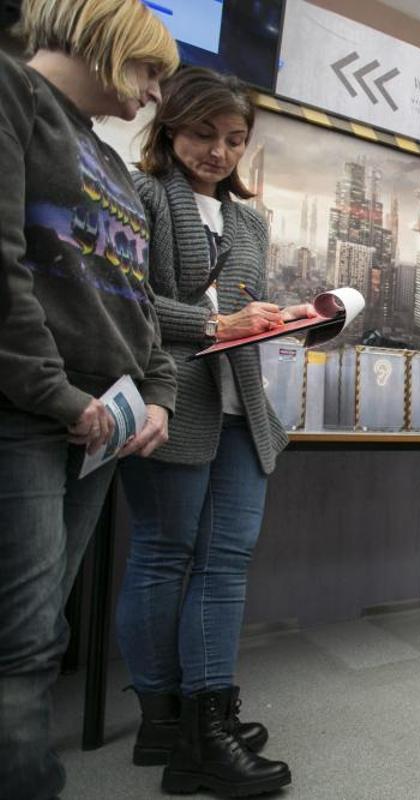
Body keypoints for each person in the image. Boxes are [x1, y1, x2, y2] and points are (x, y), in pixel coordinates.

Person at [114, 67, 308, 797]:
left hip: (241, 407)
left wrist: (288, 321)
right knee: (164, 556)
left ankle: (206, 720)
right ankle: (166, 722)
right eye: (204, 133)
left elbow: (245, 306)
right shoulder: (142, 196)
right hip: (171, 401)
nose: (218, 152)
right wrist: (216, 324)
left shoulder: (252, 221)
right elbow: (123, 300)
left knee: (226, 561)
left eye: (234, 140)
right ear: (169, 126)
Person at [0, 1, 178, 797]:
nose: (154, 95)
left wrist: (160, 396)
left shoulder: (115, 169)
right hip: (32, 412)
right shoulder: (15, 97)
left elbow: (135, 305)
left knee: (44, 630)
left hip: (103, 422)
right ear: (108, 45)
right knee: (22, 640)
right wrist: (56, 395)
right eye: (149, 71)